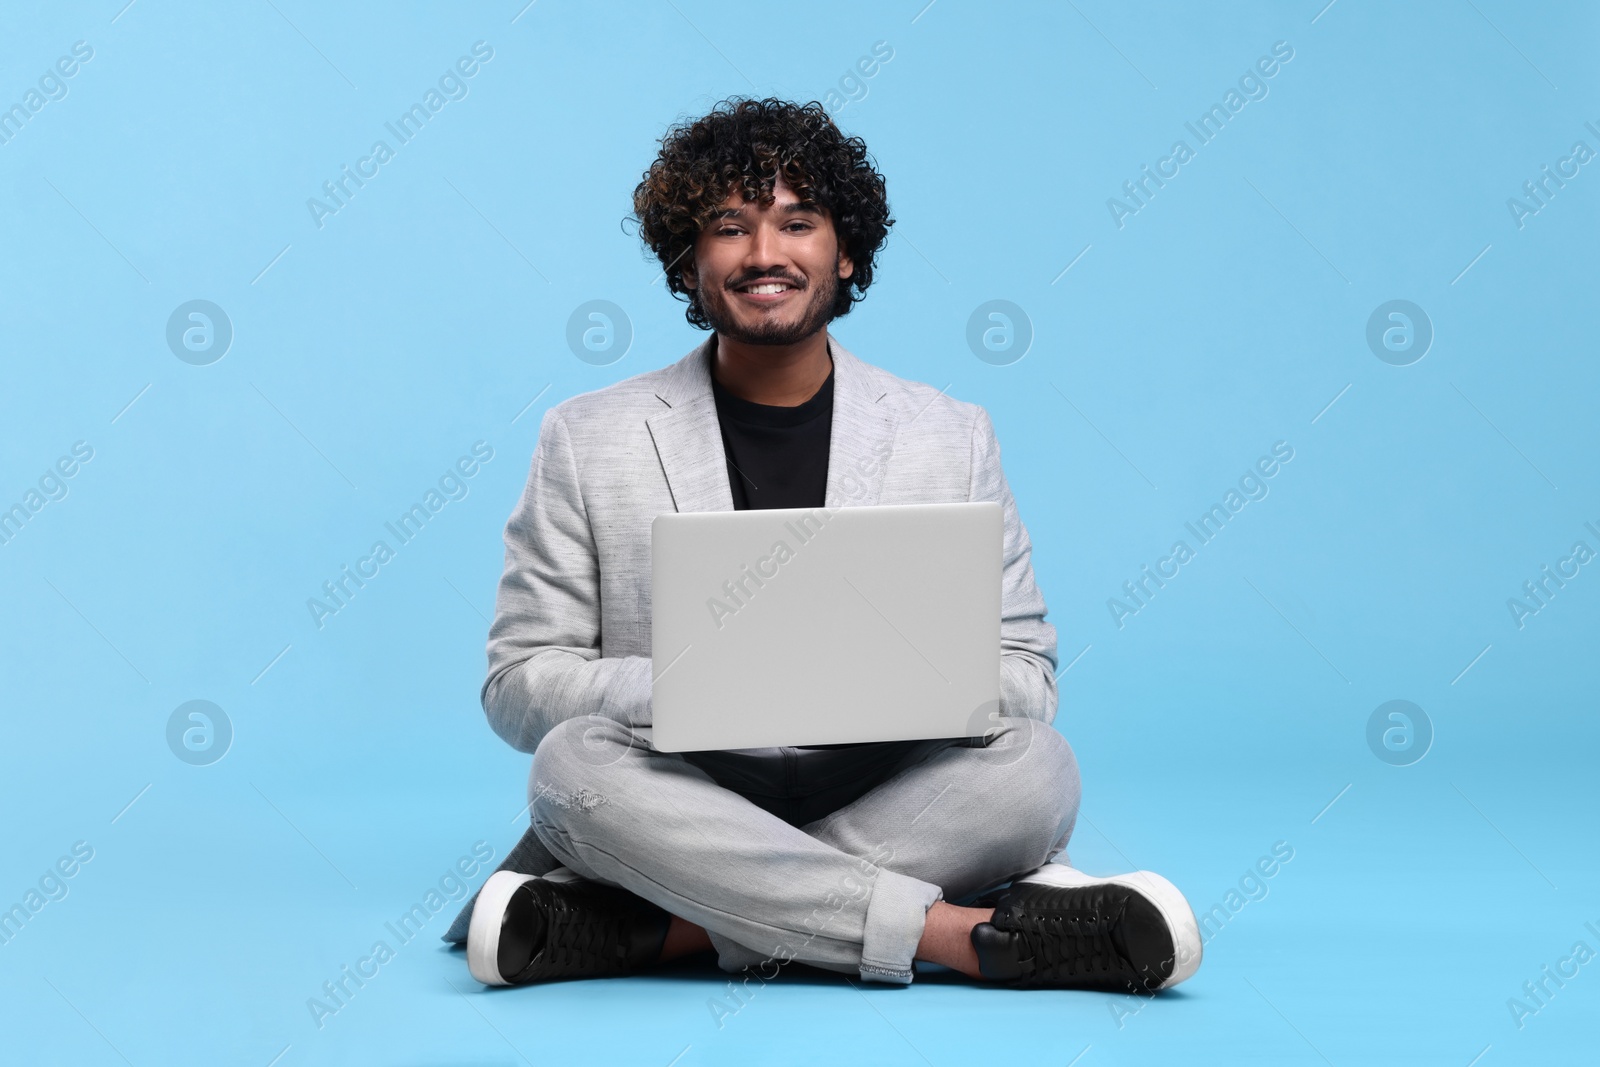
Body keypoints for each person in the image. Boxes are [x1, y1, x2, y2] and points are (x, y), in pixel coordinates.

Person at [445, 97, 1202, 992]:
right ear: (689, 263)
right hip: (681, 786)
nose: (765, 254)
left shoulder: (948, 432)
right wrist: (713, 680)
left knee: (1039, 770)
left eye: (797, 222)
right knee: (571, 770)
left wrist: (866, 676)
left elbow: (1027, 678)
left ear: (845, 253)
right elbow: (518, 683)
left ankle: (663, 924)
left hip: (887, 784)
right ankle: (962, 935)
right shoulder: (586, 436)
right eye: (730, 227)